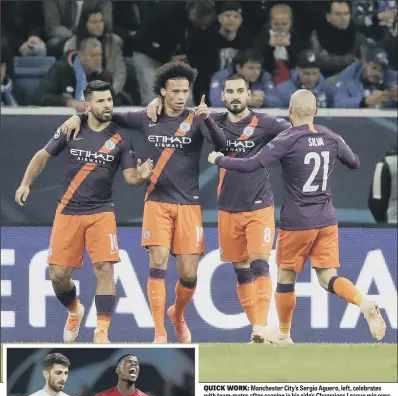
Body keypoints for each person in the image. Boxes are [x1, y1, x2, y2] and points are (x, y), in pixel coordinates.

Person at [59, 62, 227, 344]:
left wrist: (208, 118)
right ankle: (159, 332)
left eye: (185, 91)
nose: (181, 96)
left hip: (189, 204)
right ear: (163, 92)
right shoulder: (146, 118)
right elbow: (108, 115)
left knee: (188, 275)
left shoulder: (197, 120)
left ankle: (178, 314)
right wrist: (79, 116)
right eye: (175, 91)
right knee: (157, 263)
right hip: (156, 202)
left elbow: (223, 146)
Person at [208, 89, 387, 343]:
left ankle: (283, 334)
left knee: (285, 278)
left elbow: (253, 164)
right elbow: (355, 162)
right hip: (326, 219)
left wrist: (220, 159)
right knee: (327, 277)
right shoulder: (330, 136)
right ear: (315, 111)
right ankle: (362, 301)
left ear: (290, 112)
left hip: (297, 221)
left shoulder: (288, 138)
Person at [15, 80, 153, 344]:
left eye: (110, 100)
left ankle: (101, 332)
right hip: (67, 211)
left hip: (101, 212)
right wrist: (25, 184)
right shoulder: (70, 128)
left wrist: (142, 176)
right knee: (58, 277)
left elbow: (131, 177)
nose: (107, 105)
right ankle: (75, 311)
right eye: (101, 101)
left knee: (105, 270)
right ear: (88, 104)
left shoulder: (121, 137)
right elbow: (42, 156)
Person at [211, 73, 290, 342]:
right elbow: (176, 121)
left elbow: (294, 133)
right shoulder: (213, 124)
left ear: (248, 94)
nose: (234, 95)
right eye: (229, 91)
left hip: (259, 205)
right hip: (227, 207)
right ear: (222, 96)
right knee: (241, 270)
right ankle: (259, 330)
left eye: (239, 91)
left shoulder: (265, 124)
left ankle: (260, 325)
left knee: (260, 264)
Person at [36, 37, 112, 111]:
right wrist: (68, 102)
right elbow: (42, 96)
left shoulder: (104, 76)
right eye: (93, 55)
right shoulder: (61, 69)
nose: (98, 59)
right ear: (81, 56)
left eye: (99, 55)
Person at [266, 50, 334, 108]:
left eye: (315, 73)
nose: (311, 79)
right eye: (306, 74)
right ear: (298, 70)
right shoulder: (283, 89)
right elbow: (270, 105)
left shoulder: (326, 88)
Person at [369, 148, 397, 223]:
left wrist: (384, 228)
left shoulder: (385, 164)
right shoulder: (386, 164)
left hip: (392, 226)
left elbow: (376, 201)